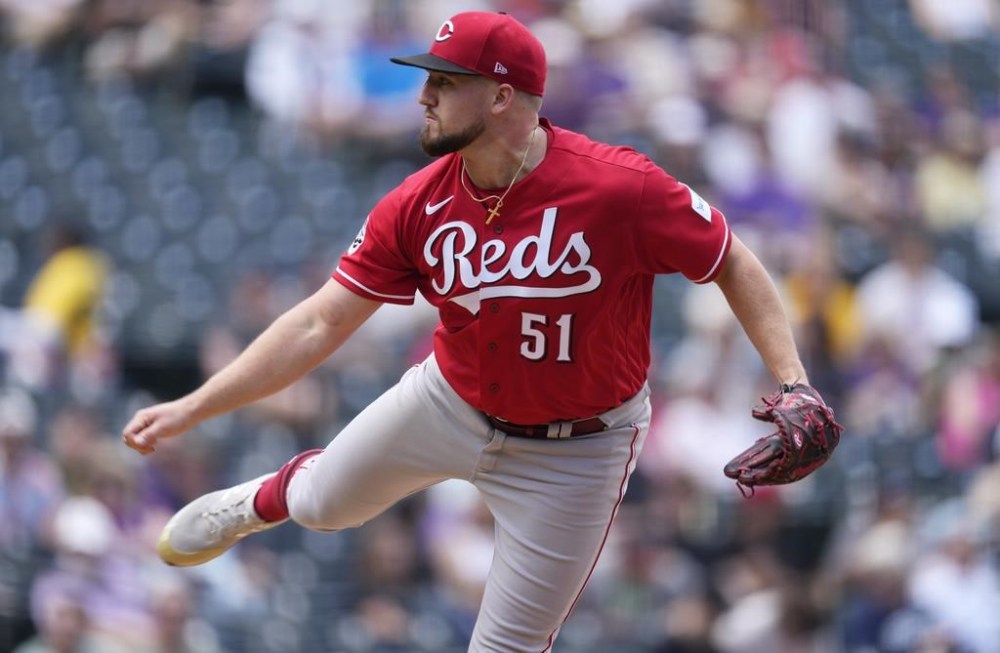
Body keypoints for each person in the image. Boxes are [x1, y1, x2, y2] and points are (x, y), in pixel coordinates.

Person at [123, 11, 837, 651]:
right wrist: (196, 405)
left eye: (444, 80)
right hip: (451, 402)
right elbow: (317, 322)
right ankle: (257, 500)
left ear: (501, 96)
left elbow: (732, 262)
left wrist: (793, 379)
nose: (424, 94)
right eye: (427, 78)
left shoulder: (619, 187)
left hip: (578, 451)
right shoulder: (417, 203)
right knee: (319, 505)